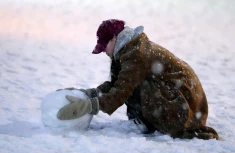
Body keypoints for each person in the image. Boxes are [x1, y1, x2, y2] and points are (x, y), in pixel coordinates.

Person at [57, 19, 219, 140]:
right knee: (138, 83)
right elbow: (117, 84)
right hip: (177, 101)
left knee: (144, 85)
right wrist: (88, 94)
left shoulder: (136, 54)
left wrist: (88, 106)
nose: (104, 51)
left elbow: (121, 91)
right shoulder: (128, 49)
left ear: (114, 38)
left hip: (187, 107)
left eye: (104, 46)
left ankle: (169, 126)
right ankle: (151, 121)